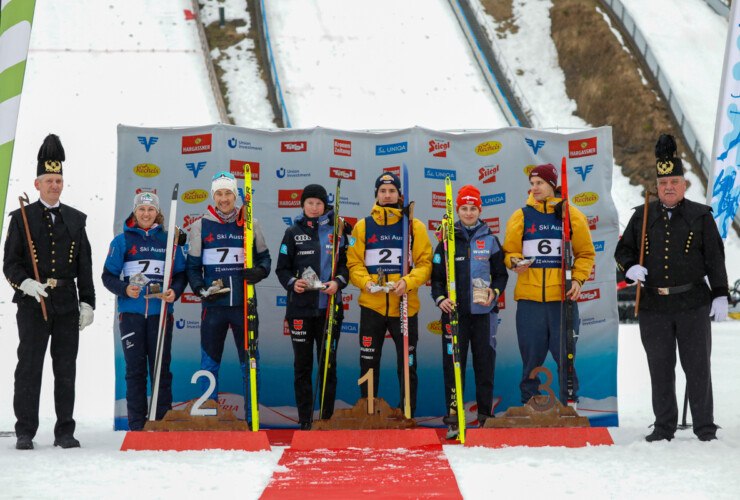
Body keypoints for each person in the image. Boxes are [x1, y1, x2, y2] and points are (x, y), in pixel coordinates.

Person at [615, 134, 729, 442]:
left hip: (692, 303)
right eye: (663, 182)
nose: (668, 187)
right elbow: (623, 250)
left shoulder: (701, 216)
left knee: (698, 368)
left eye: (674, 182)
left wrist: (720, 293)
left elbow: (715, 258)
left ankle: (705, 426)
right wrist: (629, 268)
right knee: (660, 368)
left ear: (684, 184)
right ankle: (664, 425)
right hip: (654, 306)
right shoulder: (642, 215)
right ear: (657, 185)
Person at [3, 134, 95, 450]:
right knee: (29, 367)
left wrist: (88, 303)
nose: (54, 185)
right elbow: (10, 262)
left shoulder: (76, 220)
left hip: (67, 304)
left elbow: (85, 266)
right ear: (37, 182)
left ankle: (64, 431)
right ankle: (25, 430)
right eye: (49, 180)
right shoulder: (21, 219)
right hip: (33, 304)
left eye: (58, 180)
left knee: (65, 368)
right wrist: (25, 283)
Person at [503, 163, 595, 405]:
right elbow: (509, 251)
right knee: (531, 357)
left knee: (565, 355)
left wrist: (577, 279)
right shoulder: (521, 215)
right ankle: (530, 403)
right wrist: (514, 262)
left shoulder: (572, 215)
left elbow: (586, 253)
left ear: (552, 185)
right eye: (532, 184)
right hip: (529, 301)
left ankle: (570, 403)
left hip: (561, 300)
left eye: (540, 183)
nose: (534, 188)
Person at [186, 171, 271, 425]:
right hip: (214, 308)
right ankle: (208, 419)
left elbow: (265, 260)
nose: (224, 199)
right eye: (219, 194)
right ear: (213, 196)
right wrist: (200, 289)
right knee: (209, 364)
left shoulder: (250, 223)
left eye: (228, 193)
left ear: (236, 195)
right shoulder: (200, 226)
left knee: (249, 365)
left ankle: (251, 419)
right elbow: (192, 267)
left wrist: (259, 272)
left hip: (244, 306)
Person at [346, 172, 432, 417]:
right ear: (376, 194)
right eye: (382, 191)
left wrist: (408, 282)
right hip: (372, 306)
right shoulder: (363, 226)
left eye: (391, 191)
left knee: (406, 365)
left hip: (404, 306)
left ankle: (407, 414)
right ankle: (368, 412)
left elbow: (425, 264)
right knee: (368, 363)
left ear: (399, 194)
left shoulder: (414, 226)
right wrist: (366, 283)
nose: (387, 195)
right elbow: (354, 264)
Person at [102, 192, 188, 431]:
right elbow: (107, 276)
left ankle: (162, 423)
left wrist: (175, 291)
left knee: (161, 370)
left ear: (157, 212)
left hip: (160, 314)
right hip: (132, 315)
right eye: (142, 210)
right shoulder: (122, 241)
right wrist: (124, 288)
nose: (146, 214)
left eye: (151, 210)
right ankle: (137, 426)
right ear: (135, 212)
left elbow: (181, 274)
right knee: (135, 371)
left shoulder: (168, 240)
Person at [431, 185, 508, 437]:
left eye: (473, 208)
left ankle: (485, 417)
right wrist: (440, 298)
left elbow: (500, 275)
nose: (468, 212)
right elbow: (437, 278)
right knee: (454, 366)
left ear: (479, 210)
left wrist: (494, 293)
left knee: (484, 365)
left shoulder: (490, 239)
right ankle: (454, 419)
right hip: (454, 314)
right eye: (463, 208)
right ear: (457, 210)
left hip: (484, 315)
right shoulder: (446, 240)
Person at [275, 184, 351, 429]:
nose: (315, 208)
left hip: (329, 310)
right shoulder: (292, 231)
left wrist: (337, 283)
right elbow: (282, 268)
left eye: (319, 203)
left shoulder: (337, 231)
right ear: (302, 205)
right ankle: (305, 420)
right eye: (310, 203)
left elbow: (346, 268)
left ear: (325, 205)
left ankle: (326, 420)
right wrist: (292, 282)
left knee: (328, 364)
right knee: (302, 366)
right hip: (300, 310)